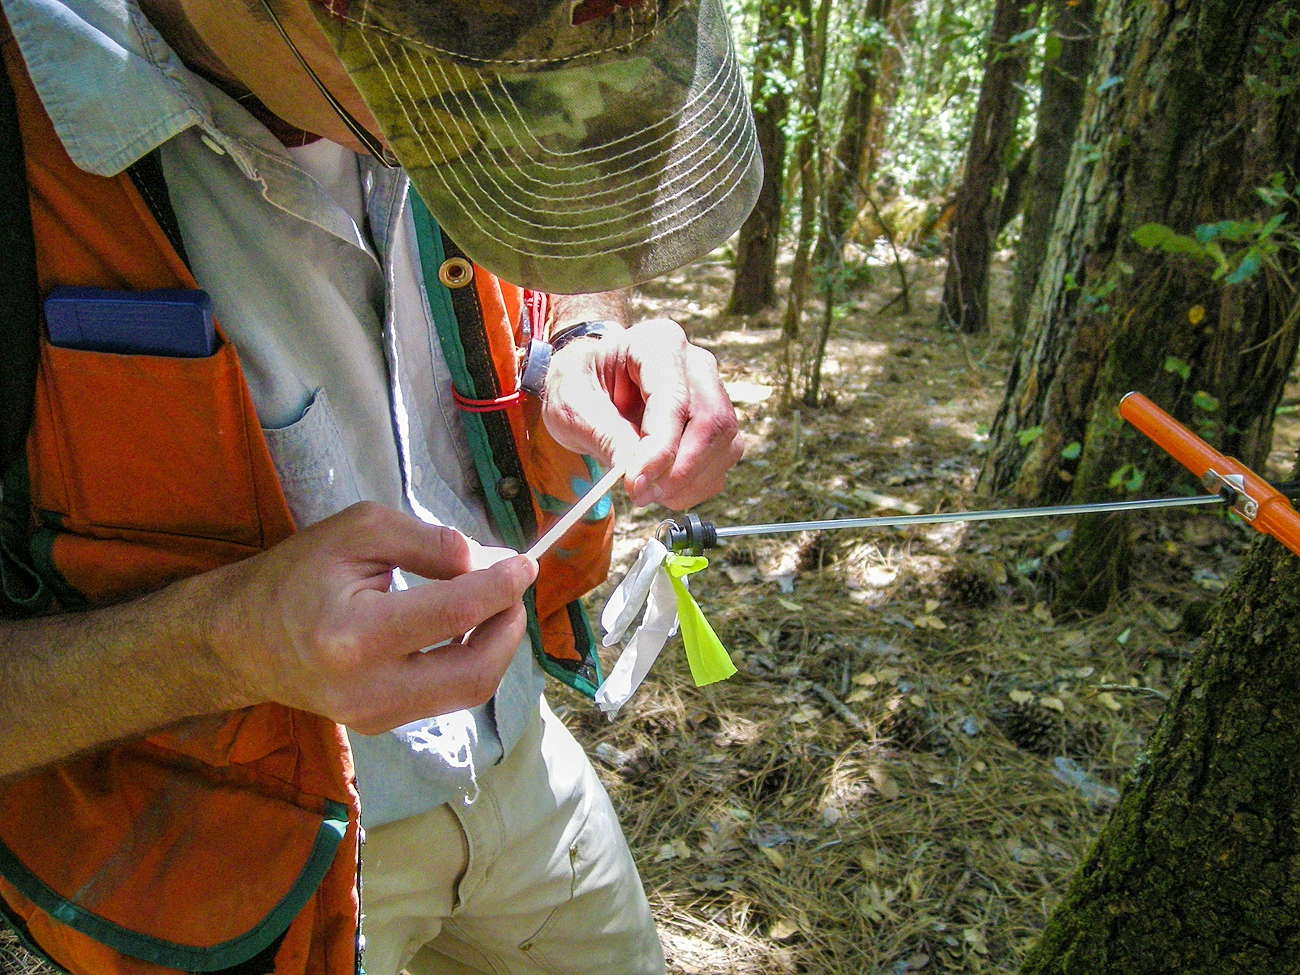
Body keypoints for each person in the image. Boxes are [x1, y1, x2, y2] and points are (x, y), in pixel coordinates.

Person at [0, 1, 760, 974]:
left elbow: (571, 241)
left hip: (523, 768)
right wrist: (214, 647)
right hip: (226, 879)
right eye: (455, 96)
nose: (494, 135)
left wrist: (578, 340)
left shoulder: (455, 63)